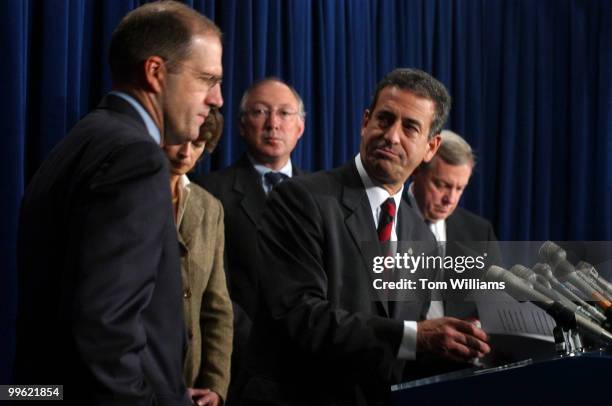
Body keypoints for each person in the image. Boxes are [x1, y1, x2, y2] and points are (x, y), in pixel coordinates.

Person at [14, 2, 223, 404]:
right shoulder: (135, 157)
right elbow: (104, 329)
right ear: (156, 73)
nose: (217, 99)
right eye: (206, 79)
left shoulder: (82, 141)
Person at [243, 68, 491, 405]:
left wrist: (462, 344)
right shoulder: (302, 199)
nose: (391, 136)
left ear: (431, 147)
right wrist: (417, 337)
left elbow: (399, 354)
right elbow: (300, 316)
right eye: (385, 119)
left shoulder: (422, 236)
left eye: (410, 128)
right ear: (365, 121)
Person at [196, 78, 306, 403]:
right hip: (244, 372)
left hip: (313, 372)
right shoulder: (209, 192)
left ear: (299, 127)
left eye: (285, 113)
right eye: (260, 112)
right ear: (242, 126)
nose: (273, 123)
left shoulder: (322, 195)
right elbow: (213, 291)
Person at [163, 109, 233, 406]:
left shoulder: (210, 208)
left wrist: (216, 384)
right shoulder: (132, 193)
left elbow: (216, 306)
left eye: (198, 144)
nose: (185, 153)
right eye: (179, 141)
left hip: (190, 383)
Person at [406, 130, 502, 320]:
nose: (450, 199)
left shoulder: (480, 232)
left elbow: (495, 303)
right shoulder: (385, 220)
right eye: (442, 185)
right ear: (416, 170)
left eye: (460, 188)